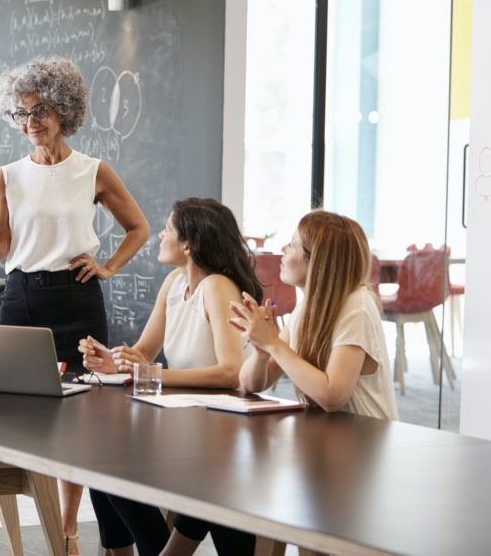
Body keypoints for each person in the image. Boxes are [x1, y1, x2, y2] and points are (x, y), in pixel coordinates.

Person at [0, 56, 150, 556]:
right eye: (21, 114)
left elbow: (138, 228)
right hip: (20, 297)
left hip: (78, 299)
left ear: (63, 111)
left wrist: (108, 267)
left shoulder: (93, 171)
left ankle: (68, 532)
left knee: (79, 421)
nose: (30, 123)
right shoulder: (7, 176)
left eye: (40, 111)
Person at [78, 198, 262, 556]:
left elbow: (231, 372)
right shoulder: (175, 283)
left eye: (168, 229)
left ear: (188, 245)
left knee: (113, 465)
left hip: (226, 430)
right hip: (189, 420)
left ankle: (155, 550)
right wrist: (114, 360)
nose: (160, 235)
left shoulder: (216, 286)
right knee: (99, 463)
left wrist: (150, 373)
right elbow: (143, 354)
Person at [233, 210, 398, 420]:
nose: (283, 250)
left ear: (317, 260)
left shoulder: (357, 306)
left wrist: (273, 343)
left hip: (365, 443)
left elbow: (332, 396)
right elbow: (248, 384)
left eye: (292, 245)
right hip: (330, 439)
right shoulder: (305, 309)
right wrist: (261, 352)